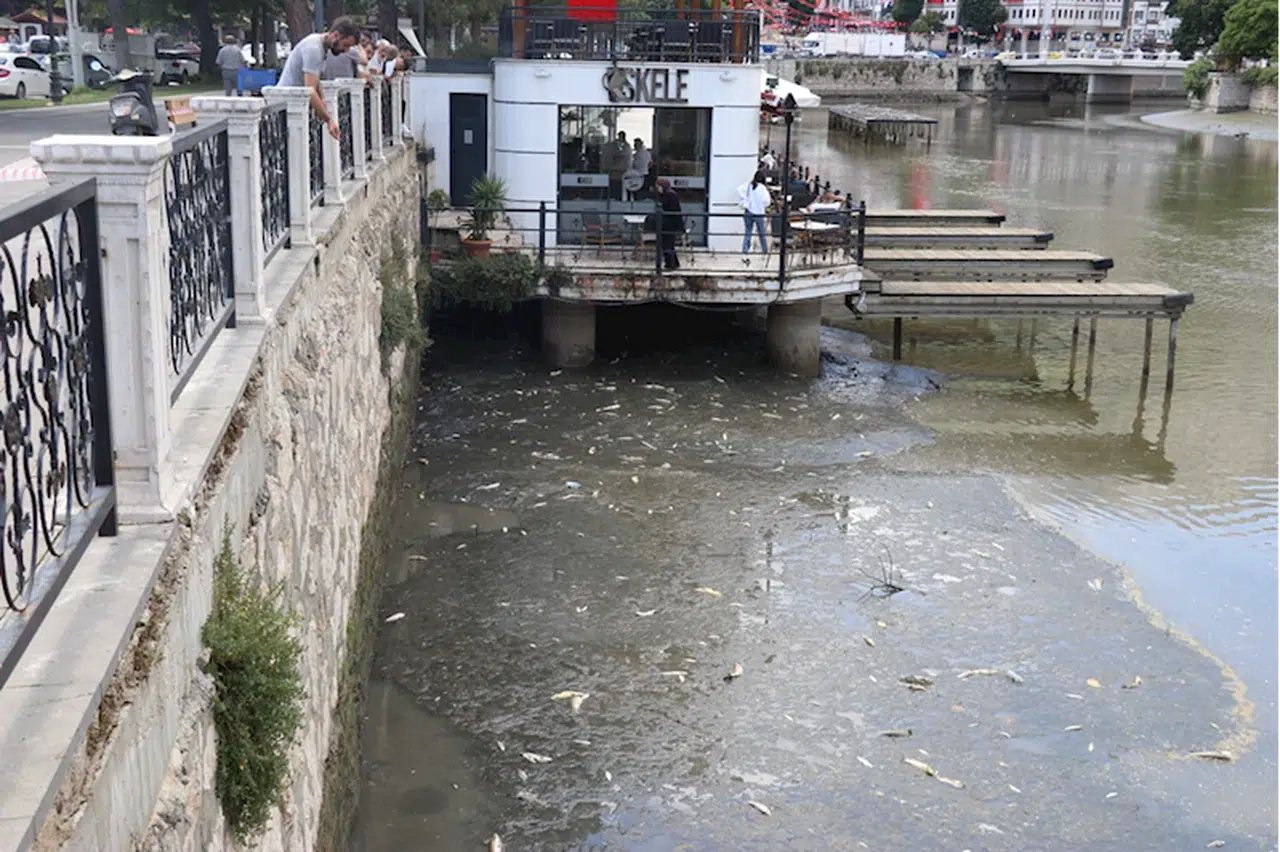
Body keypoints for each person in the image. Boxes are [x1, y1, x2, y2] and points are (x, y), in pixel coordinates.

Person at [277, 15, 360, 139]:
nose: (346, 50)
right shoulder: (314, 49)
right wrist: (329, 120)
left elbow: (316, 80)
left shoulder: (321, 46)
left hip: (294, 105)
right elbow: (309, 90)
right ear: (336, 35)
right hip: (284, 105)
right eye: (346, 45)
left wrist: (322, 100)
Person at [738, 170, 771, 254]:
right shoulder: (763, 188)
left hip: (748, 211)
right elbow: (767, 202)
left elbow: (739, 190)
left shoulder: (749, 185)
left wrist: (746, 200)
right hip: (759, 213)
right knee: (761, 233)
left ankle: (745, 250)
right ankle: (765, 250)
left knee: (748, 232)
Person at [655, 178, 683, 272]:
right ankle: (674, 263)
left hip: (670, 224)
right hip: (666, 223)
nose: (657, 188)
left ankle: (670, 264)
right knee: (667, 244)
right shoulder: (664, 195)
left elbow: (673, 210)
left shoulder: (670, 196)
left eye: (658, 186)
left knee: (668, 244)